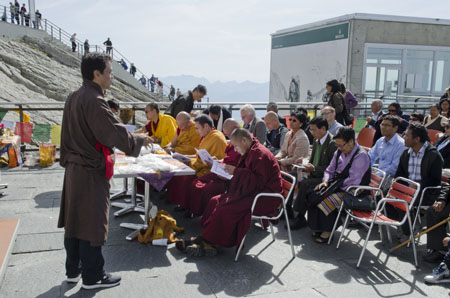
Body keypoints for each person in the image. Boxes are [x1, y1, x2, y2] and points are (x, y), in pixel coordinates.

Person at [58, 53, 150, 289]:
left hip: (74, 169)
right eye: (109, 72)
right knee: (92, 221)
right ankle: (93, 276)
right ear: (96, 74)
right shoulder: (94, 99)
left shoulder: (74, 96)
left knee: (75, 219)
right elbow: (111, 132)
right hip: (90, 170)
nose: (111, 77)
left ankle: (73, 269)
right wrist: (138, 140)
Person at [176, 128, 283, 257]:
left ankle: (204, 240)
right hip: (252, 192)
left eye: (236, 146)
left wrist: (236, 172)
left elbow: (258, 182)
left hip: (265, 198)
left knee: (225, 208)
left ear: (244, 140)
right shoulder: (251, 150)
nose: (236, 150)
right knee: (215, 200)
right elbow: (250, 178)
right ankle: (208, 241)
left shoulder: (260, 154)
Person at [308, 127, 371, 243]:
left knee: (328, 199)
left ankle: (328, 230)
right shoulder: (339, 152)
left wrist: (332, 189)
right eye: (338, 145)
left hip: (355, 190)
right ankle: (318, 227)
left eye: (341, 145)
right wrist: (325, 181)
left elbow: (354, 181)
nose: (339, 148)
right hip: (338, 184)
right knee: (315, 194)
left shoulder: (361, 156)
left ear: (351, 141)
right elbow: (329, 170)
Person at [388, 124, 443, 250]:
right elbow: (399, 175)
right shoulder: (406, 153)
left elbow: (435, 180)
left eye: (407, 135)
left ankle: (408, 231)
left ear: (417, 139)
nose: (404, 137)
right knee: (385, 196)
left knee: (402, 200)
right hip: (408, 191)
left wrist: (418, 185)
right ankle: (408, 224)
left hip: (425, 193)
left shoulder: (433, 155)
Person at [167, 115, 227, 211]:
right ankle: (182, 204)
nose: (196, 131)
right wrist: (186, 158)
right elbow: (199, 155)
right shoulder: (207, 136)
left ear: (206, 126)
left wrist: (189, 162)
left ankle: (190, 209)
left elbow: (204, 161)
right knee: (177, 174)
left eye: (198, 128)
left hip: (211, 171)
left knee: (186, 177)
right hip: (201, 166)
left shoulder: (216, 138)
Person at [288, 116, 338, 230]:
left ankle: (300, 217)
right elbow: (312, 159)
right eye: (310, 129)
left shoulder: (332, 144)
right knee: (291, 176)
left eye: (314, 129)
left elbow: (331, 168)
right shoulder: (316, 140)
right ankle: (287, 208)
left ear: (323, 129)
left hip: (324, 178)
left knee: (305, 184)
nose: (311, 132)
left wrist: (314, 169)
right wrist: (304, 164)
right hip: (313, 172)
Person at [187, 118, 242, 217]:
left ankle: (202, 213)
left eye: (229, 135)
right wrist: (217, 161)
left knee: (205, 188)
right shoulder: (233, 141)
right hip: (221, 171)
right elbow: (227, 159)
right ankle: (195, 211)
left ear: (237, 129)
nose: (229, 138)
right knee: (196, 183)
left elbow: (240, 165)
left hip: (229, 178)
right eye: (228, 136)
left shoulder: (243, 143)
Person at [368, 115, 406, 189]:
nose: (383, 127)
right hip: (377, 174)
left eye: (387, 125)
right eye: (382, 124)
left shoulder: (401, 144)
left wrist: (378, 175)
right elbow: (370, 156)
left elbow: (394, 168)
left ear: (395, 128)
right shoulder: (380, 141)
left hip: (389, 178)